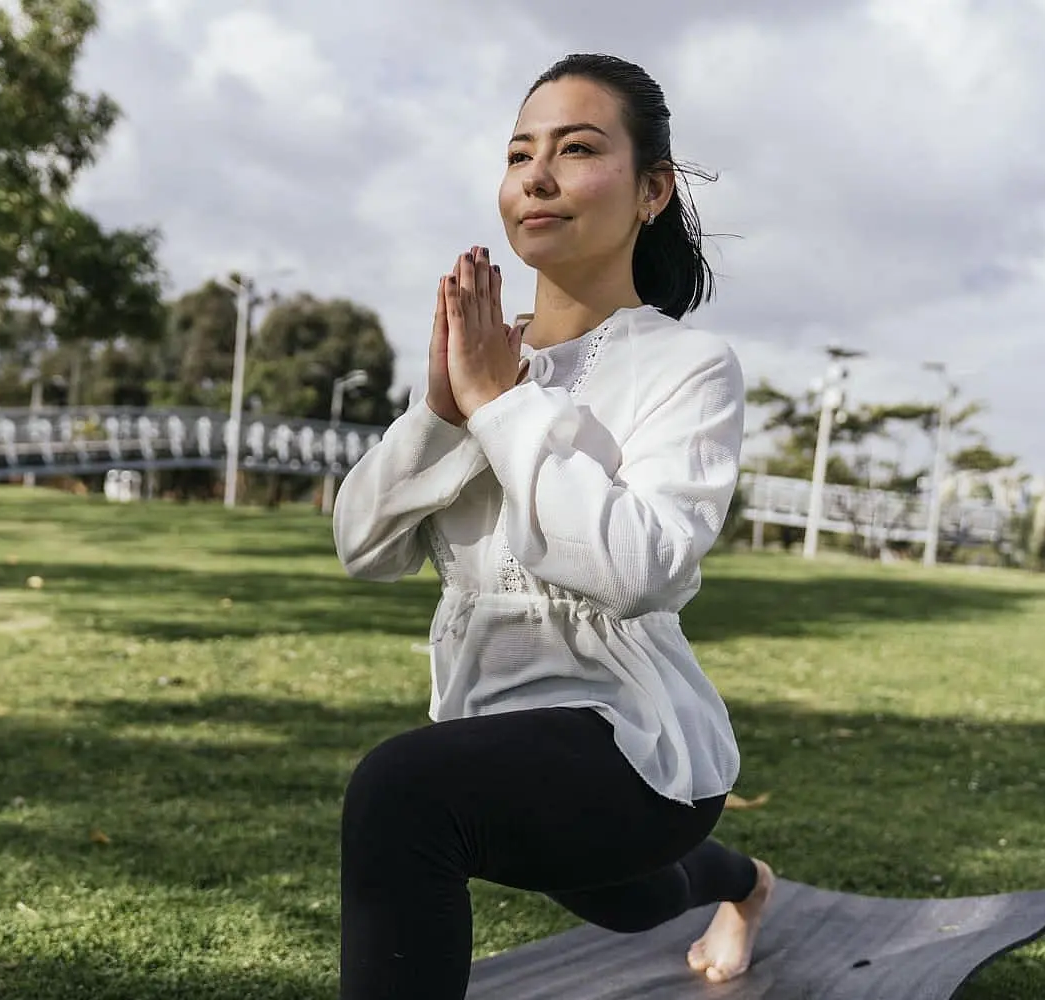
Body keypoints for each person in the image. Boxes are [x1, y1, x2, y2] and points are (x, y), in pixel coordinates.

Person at [330, 53, 774, 999]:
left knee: (400, 792)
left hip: (636, 749)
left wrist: (502, 406)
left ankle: (730, 876)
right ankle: (747, 885)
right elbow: (363, 547)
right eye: (520, 153)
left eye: (576, 150)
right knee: (627, 902)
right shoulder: (485, 357)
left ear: (652, 190)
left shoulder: (687, 366)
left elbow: (640, 568)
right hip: (496, 735)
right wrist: (446, 411)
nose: (537, 175)